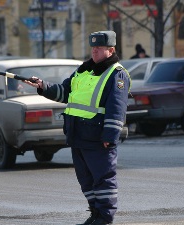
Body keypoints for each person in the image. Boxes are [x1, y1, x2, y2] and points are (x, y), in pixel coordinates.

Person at [24, 30, 131, 225]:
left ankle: (104, 219)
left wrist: (110, 136)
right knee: (86, 180)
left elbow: (117, 107)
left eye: (99, 48)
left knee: (103, 179)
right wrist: (42, 86)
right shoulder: (84, 70)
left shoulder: (117, 74)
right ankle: (95, 214)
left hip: (98, 137)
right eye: (93, 48)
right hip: (78, 135)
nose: (95, 51)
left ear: (111, 50)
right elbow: (65, 92)